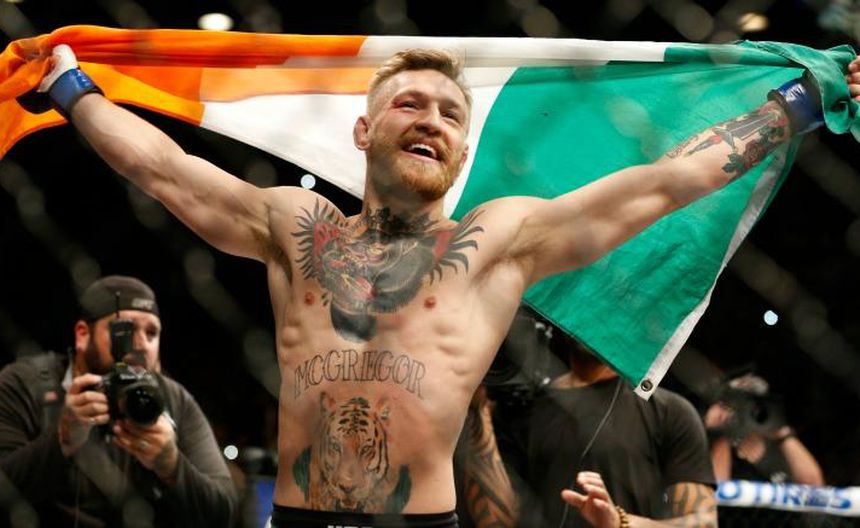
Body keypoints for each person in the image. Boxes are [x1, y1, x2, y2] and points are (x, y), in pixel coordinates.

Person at [26, 42, 860, 527]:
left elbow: (663, 183)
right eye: (410, 104)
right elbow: (165, 169)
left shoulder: (498, 241)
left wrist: (796, 104)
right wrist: (68, 86)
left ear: (460, 154)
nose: (431, 119)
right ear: (364, 130)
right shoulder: (293, 226)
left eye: (450, 114)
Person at [0, 275, 238, 527]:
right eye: (125, 330)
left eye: (152, 333)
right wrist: (61, 441)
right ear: (82, 334)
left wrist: (172, 466)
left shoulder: (174, 399)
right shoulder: (25, 385)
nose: (141, 344)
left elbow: (225, 512)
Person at [487, 327, 717, 528]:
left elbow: (703, 522)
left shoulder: (670, 411)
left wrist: (620, 523)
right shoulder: (517, 412)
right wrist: (477, 411)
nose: (593, 319)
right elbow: (493, 519)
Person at [703, 373, 824, 486]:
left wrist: (780, 430)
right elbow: (713, 492)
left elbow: (814, 487)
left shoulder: (781, 445)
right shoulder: (714, 445)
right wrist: (723, 432)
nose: (741, 411)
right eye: (727, 404)